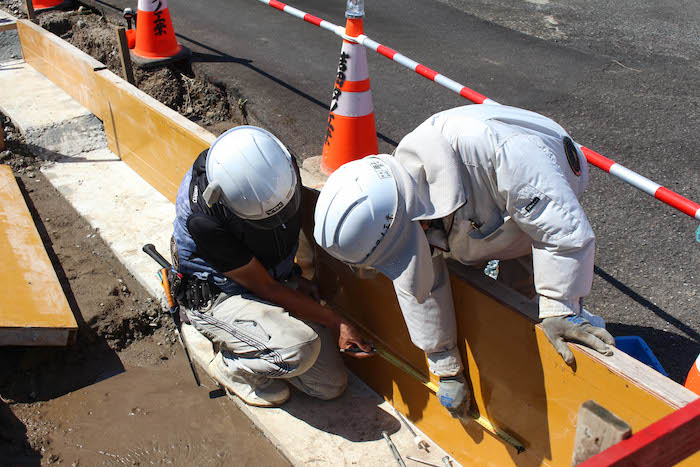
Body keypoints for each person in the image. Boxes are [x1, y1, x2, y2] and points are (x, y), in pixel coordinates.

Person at [313, 104, 615, 419]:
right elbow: (420, 282)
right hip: (487, 212)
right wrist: (445, 367)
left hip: (550, 178)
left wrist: (561, 307)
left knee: (529, 281)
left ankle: (554, 317)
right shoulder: (401, 204)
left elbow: (561, 230)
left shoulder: (501, 153)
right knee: (474, 269)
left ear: (417, 221)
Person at [171, 126, 372, 408]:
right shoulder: (206, 218)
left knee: (328, 386)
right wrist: (337, 321)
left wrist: (295, 276)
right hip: (219, 292)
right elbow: (265, 288)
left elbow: (282, 238)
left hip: (264, 277)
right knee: (300, 349)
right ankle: (233, 367)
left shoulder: (277, 166)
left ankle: (259, 343)